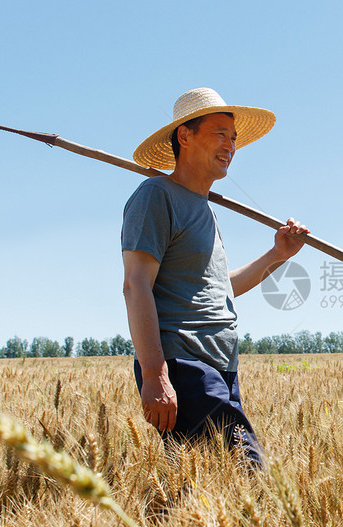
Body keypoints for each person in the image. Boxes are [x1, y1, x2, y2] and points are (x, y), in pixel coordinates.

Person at [122, 87, 308, 463]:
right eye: (220, 133)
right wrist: (156, 374)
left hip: (223, 364)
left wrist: (277, 255)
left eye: (234, 138)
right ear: (185, 135)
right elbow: (135, 285)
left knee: (197, 489)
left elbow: (220, 289)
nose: (230, 146)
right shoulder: (155, 195)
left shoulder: (205, 210)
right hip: (185, 364)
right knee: (249, 476)